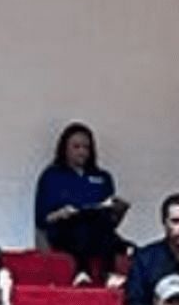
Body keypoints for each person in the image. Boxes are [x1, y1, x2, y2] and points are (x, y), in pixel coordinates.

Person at [35, 122, 130, 286]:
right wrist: (61, 213)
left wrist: (119, 210)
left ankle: (107, 272)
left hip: (98, 231)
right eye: (76, 147)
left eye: (86, 147)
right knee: (80, 225)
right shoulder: (51, 176)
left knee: (97, 221)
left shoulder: (102, 177)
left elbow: (111, 221)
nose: (82, 152)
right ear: (65, 148)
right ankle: (83, 271)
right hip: (64, 232)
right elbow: (42, 219)